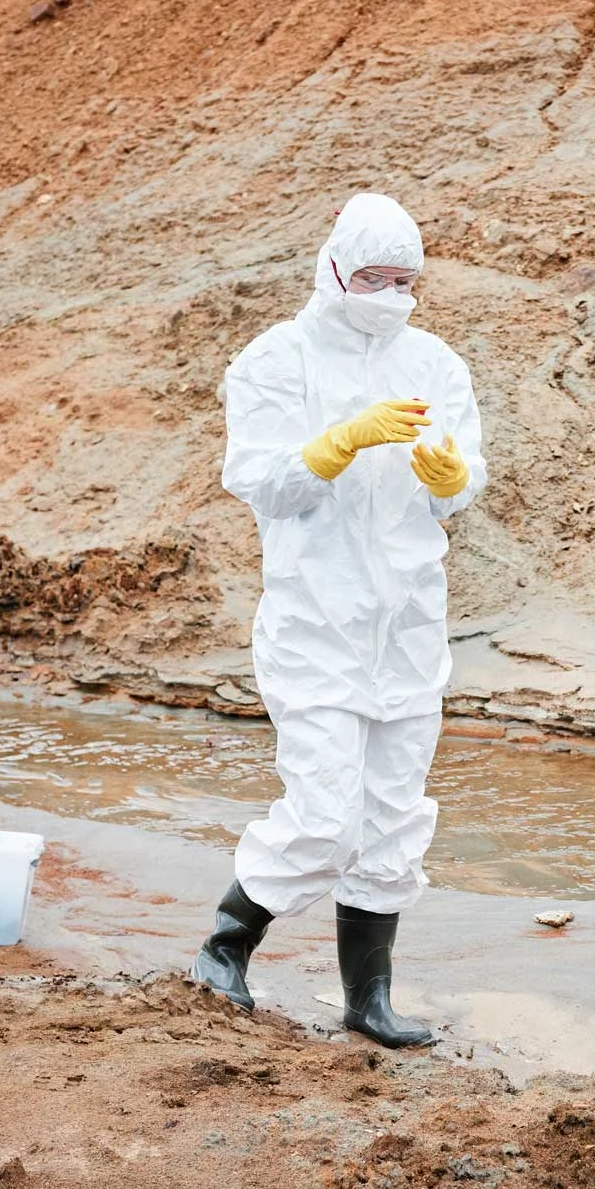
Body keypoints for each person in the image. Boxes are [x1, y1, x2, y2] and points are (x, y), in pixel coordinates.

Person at [188, 193, 487, 1048]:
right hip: (316, 621)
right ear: (333, 269)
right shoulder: (276, 358)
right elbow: (261, 481)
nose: (390, 294)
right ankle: (224, 947)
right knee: (325, 817)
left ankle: (369, 998)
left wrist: (449, 476)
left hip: (408, 627)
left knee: (393, 816)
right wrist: (337, 443)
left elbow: (465, 479)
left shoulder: (434, 362)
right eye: (372, 277)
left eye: (404, 280)